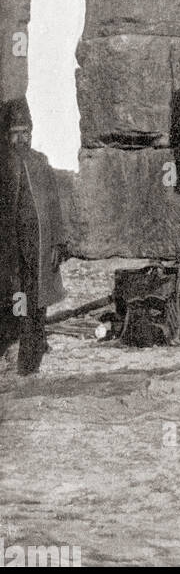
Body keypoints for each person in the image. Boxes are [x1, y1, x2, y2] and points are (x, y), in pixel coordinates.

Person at [0, 98, 68, 376]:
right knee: (15, 302)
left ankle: (31, 360)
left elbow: (53, 206)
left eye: (25, 132)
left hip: (38, 248)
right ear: (7, 135)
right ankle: (14, 355)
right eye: (15, 132)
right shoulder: (3, 165)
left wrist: (58, 242)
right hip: (11, 251)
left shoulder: (41, 162)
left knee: (36, 304)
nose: (21, 138)